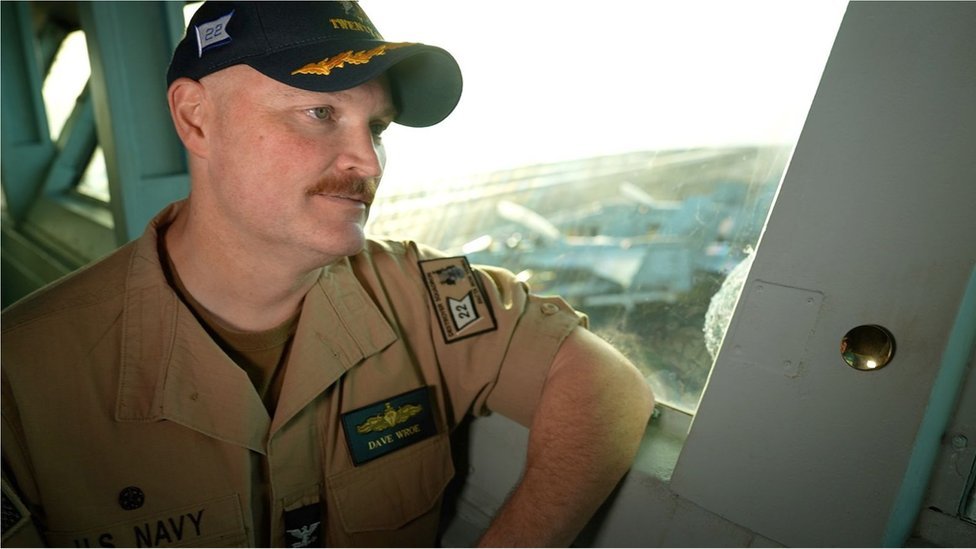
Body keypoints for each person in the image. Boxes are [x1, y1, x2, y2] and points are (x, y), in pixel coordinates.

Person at [1, 2, 653, 546]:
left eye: (377, 126)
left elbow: (608, 386)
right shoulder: (22, 377)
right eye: (321, 113)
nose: (367, 161)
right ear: (196, 117)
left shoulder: (414, 297)